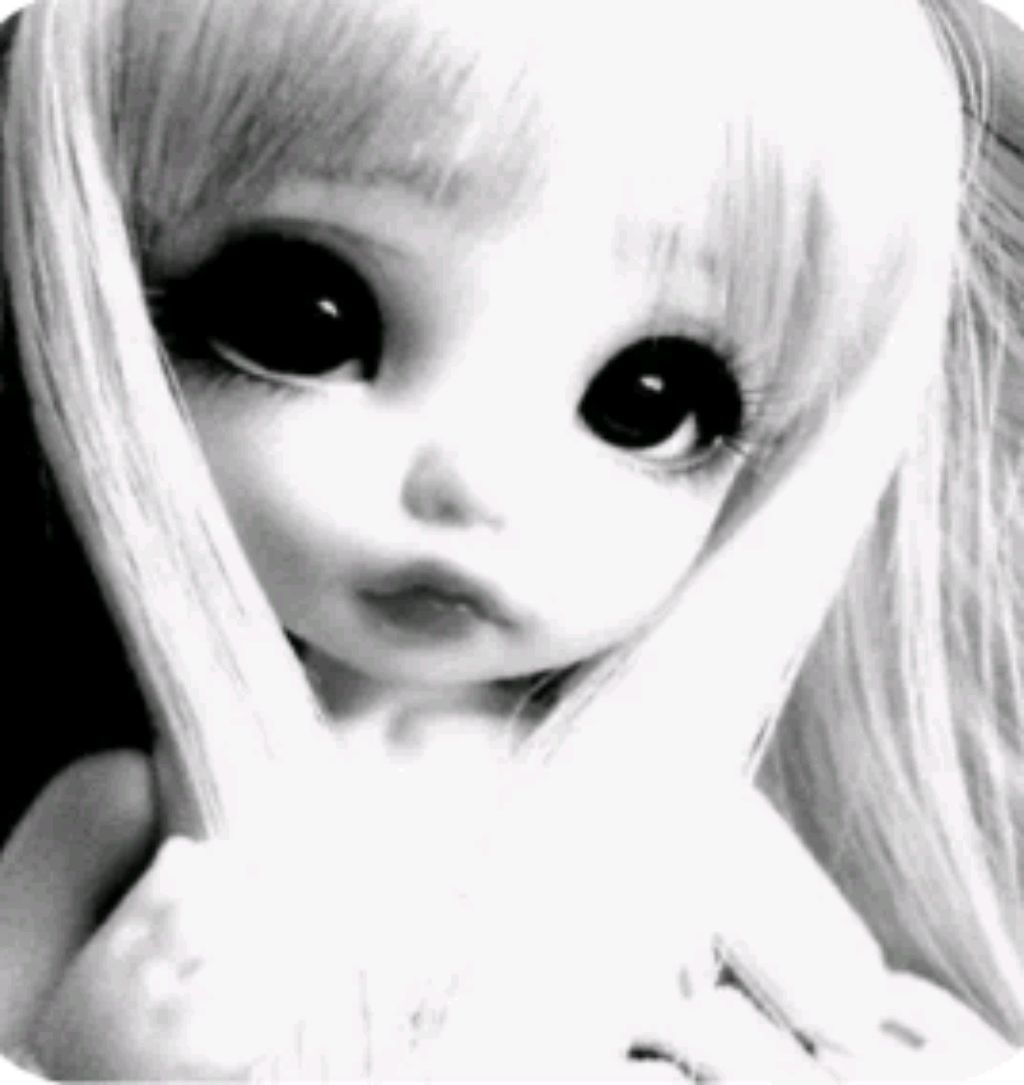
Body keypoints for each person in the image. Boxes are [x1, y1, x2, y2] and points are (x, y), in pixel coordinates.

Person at [0, 0, 1022, 1078]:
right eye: (307, 323)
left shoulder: (663, 816)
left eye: (648, 403)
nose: (477, 486)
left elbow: (863, 1021)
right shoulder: (125, 809)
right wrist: (90, 1052)